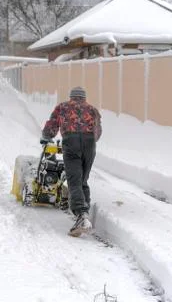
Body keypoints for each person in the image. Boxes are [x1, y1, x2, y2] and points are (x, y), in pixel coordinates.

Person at [41, 86, 102, 237]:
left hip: (71, 142)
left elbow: (52, 124)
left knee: (74, 180)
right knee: (82, 180)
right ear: (84, 97)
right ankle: (85, 214)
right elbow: (98, 131)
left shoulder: (63, 107)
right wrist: (89, 141)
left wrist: (46, 137)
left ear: (71, 97)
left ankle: (81, 215)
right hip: (89, 145)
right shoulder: (93, 110)